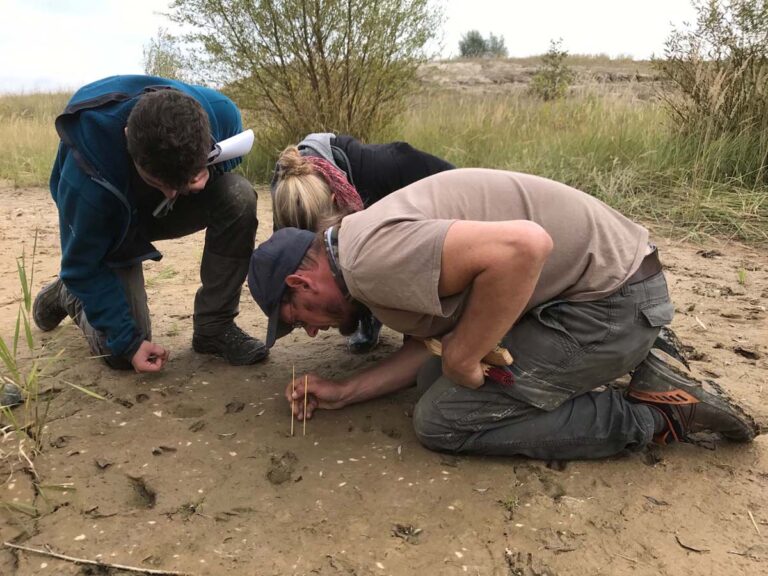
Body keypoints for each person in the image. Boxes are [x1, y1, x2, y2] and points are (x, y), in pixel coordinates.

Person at [248, 168, 758, 460]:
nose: (312, 329)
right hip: (609, 284)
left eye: (297, 317)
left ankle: (657, 414)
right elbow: (433, 350)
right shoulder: (360, 242)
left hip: (612, 302)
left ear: (300, 281)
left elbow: (523, 248)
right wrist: (344, 392)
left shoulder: (368, 263)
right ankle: (643, 357)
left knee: (442, 421)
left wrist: (464, 356)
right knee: (433, 377)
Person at [32, 75, 268, 373]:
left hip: (149, 198)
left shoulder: (221, 112)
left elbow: (228, 154)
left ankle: (214, 326)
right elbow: (82, 265)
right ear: (128, 136)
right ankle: (69, 294)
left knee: (238, 194)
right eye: (160, 182)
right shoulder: (85, 180)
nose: (171, 194)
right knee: (122, 353)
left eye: (179, 185)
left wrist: (208, 169)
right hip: (111, 219)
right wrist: (129, 343)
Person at [270, 133, 454, 352]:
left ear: (336, 201)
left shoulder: (390, 169)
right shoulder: (288, 200)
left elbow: (432, 244)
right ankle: (366, 313)